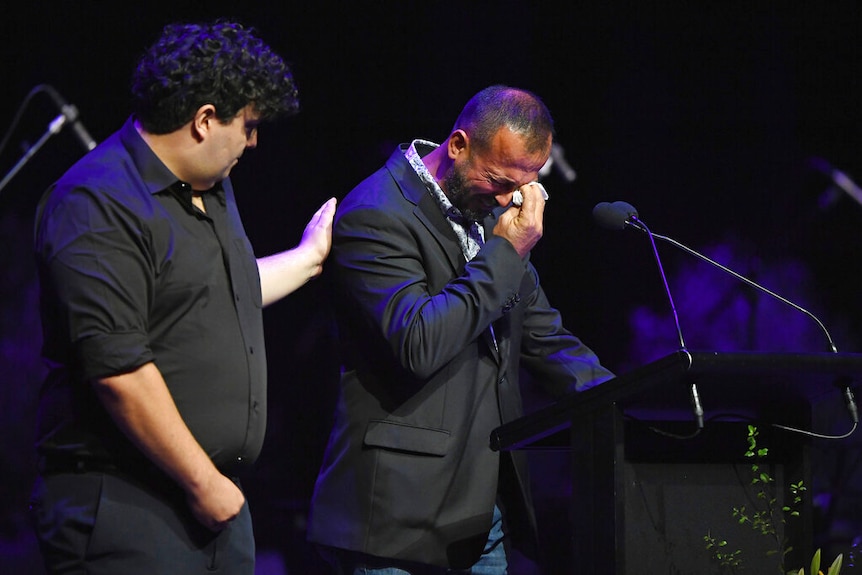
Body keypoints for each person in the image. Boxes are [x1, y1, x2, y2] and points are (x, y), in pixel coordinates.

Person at [30, 20, 335, 575]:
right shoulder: (97, 201)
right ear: (203, 121)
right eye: (248, 125)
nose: (253, 141)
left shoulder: (209, 189)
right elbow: (119, 370)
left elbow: (222, 294)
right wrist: (202, 482)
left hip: (212, 505)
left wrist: (310, 257)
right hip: (128, 507)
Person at [307, 85, 614, 574]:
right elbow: (419, 343)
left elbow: (544, 338)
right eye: (497, 180)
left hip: (481, 517)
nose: (511, 200)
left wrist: (627, 407)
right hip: (396, 521)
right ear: (457, 146)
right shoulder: (376, 213)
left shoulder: (489, 215)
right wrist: (506, 253)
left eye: (525, 185)